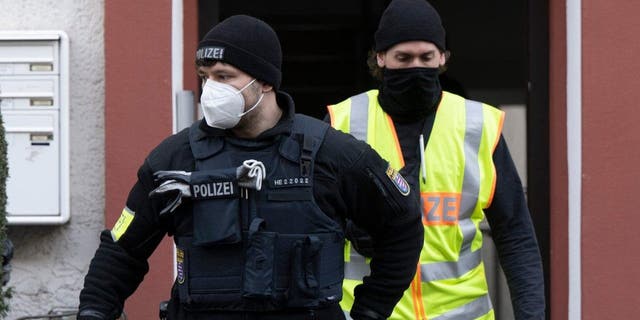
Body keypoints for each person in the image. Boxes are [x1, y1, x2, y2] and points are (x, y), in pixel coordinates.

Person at [77, 14, 424, 320]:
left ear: (266, 81)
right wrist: (93, 311)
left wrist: (371, 310)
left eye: (224, 76)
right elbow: (121, 250)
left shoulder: (331, 154)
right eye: (205, 76)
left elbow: (402, 227)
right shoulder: (175, 158)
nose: (211, 88)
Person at [327, 0, 545, 319]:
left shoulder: (479, 126)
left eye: (425, 57)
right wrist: (350, 226)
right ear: (380, 57)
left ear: (442, 58)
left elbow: (516, 235)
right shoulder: (342, 121)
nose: (416, 66)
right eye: (403, 57)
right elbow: (313, 222)